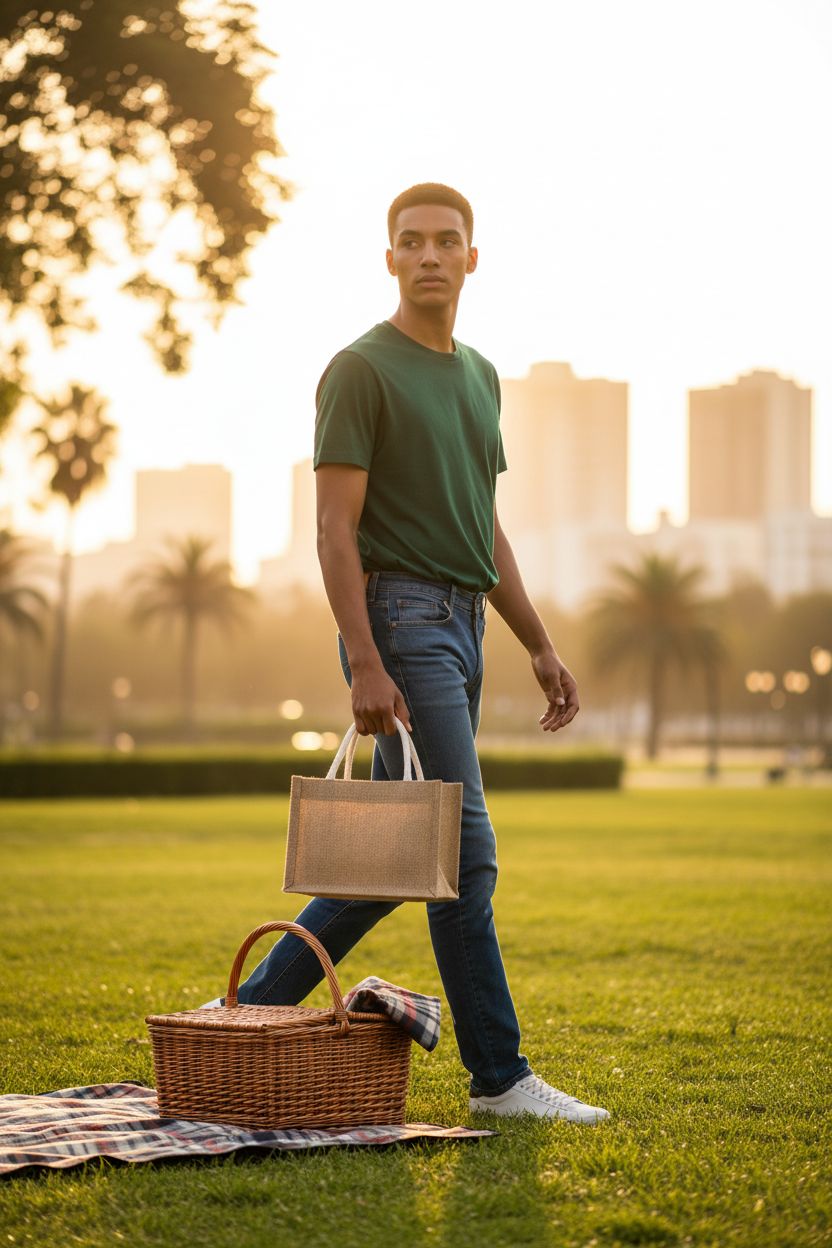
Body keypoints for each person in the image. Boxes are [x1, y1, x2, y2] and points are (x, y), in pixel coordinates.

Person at [204, 183, 609, 1124]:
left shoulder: (480, 375)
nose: (430, 255)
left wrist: (540, 643)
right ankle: (500, 1080)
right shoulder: (359, 369)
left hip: (464, 626)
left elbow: (485, 528)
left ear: (474, 259)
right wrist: (367, 657)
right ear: (390, 259)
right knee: (466, 852)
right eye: (411, 242)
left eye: (446, 242)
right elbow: (334, 530)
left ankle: (244, 1019)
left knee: (402, 857)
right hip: (402, 628)